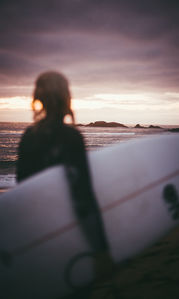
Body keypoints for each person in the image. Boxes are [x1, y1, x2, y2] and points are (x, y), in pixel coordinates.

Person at [16, 71, 113, 297]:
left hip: (35, 236)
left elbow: (22, 192)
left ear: (38, 97)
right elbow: (83, 195)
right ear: (66, 97)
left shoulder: (28, 136)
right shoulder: (71, 138)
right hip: (68, 233)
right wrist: (101, 250)